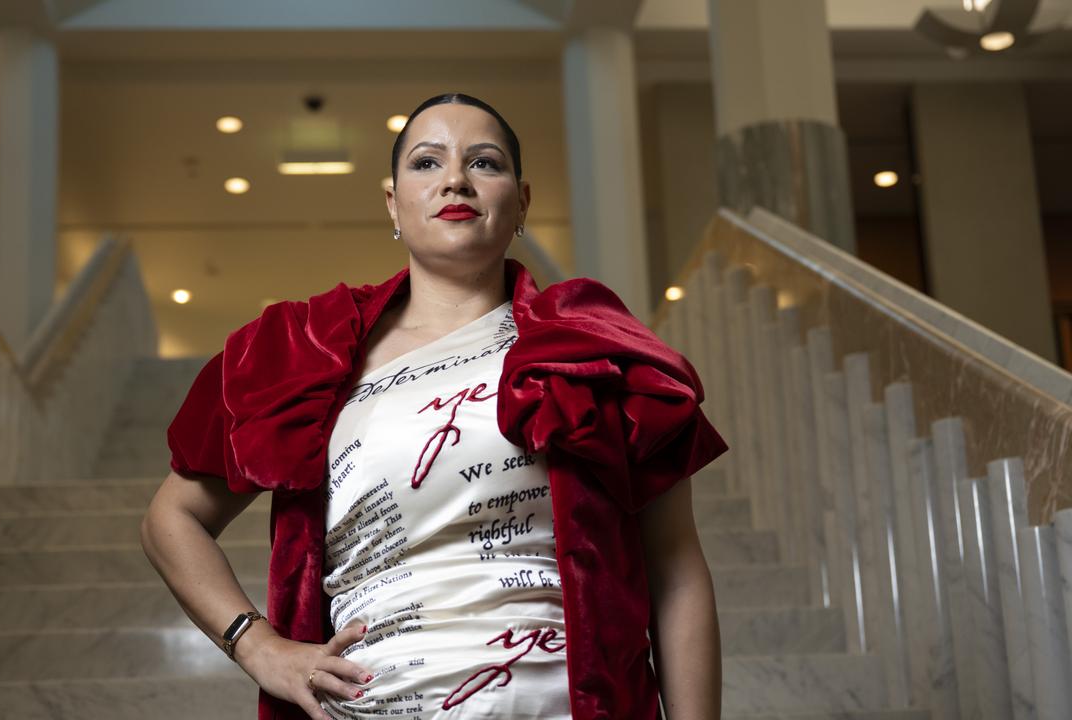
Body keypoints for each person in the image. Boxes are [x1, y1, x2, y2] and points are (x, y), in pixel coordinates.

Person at [141, 92, 725, 720]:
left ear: (521, 202)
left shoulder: (595, 350)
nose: (455, 180)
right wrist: (256, 645)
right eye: (426, 163)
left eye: (485, 162)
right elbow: (170, 519)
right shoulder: (303, 351)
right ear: (392, 202)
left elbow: (676, 571)